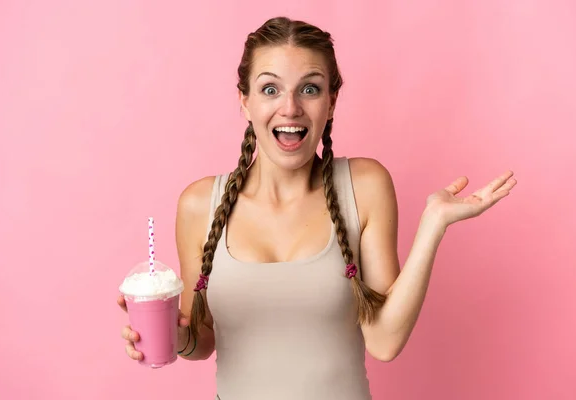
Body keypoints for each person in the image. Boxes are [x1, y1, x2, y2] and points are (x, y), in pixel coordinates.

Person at [117, 16, 517, 400]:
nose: (290, 107)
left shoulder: (364, 186)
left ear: (332, 100)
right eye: (270, 89)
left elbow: (384, 340)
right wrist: (171, 331)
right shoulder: (199, 204)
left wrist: (432, 226)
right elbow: (200, 341)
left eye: (309, 89)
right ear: (244, 101)